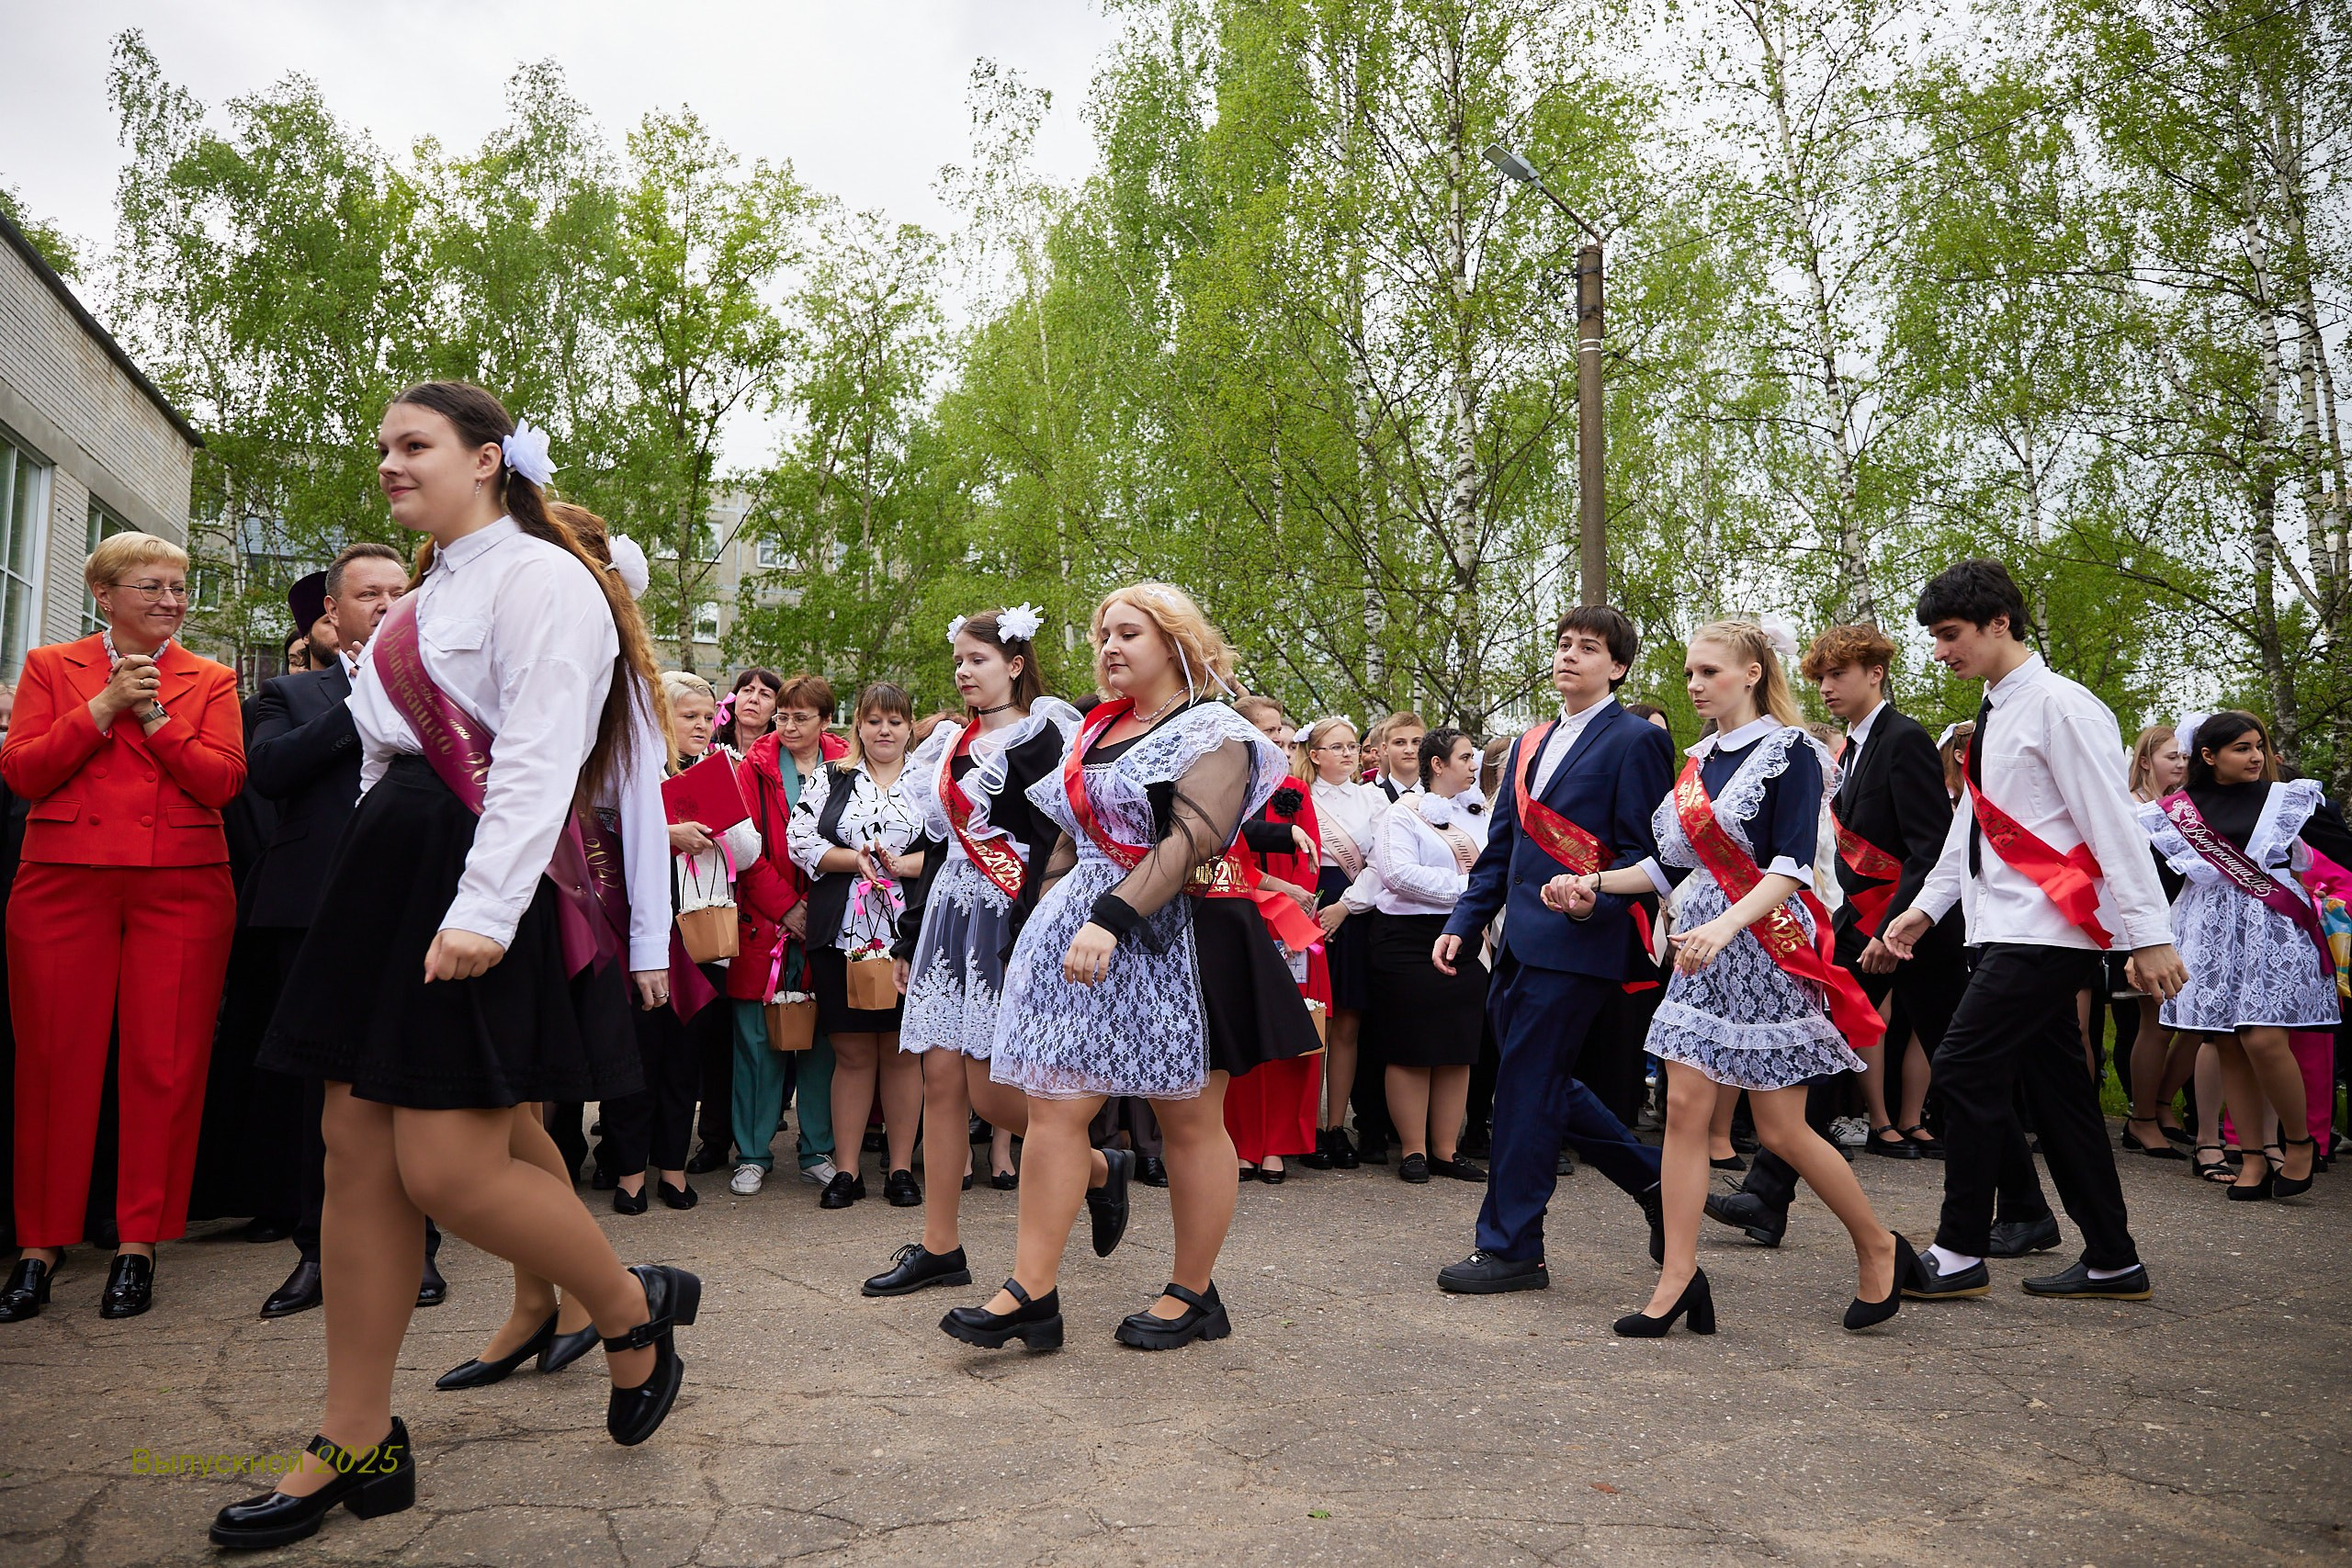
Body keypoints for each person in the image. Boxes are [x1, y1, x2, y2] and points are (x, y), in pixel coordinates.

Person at [207, 382, 697, 1550]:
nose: (389, 462)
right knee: (355, 1155)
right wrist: (364, 887)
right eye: (383, 445)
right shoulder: (426, 598)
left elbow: (535, 758)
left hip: (477, 872)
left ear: (486, 459)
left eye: (413, 444)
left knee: (449, 1167)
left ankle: (630, 1305)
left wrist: (482, 909)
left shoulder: (545, 580)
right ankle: (355, 1436)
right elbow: (382, 753)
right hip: (389, 873)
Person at [942, 581, 1312, 1353]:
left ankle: (1193, 1292)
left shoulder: (1214, 728)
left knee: (1188, 1118)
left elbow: (1192, 838)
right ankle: (1031, 1293)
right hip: (1085, 935)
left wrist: (1108, 917)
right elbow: (1072, 836)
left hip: (1188, 935)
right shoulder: (1096, 726)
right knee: (1054, 1105)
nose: (1109, 646)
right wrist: (1045, 922)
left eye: (1128, 633)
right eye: (1103, 634)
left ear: (1176, 642)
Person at [1555, 620, 1907, 1336]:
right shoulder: (1699, 761)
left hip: (1764, 943)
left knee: (1780, 1128)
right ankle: (1678, 1276)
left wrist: (1726, 925)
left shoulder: (1792, 751)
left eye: (1709, 672)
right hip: (1699, 945)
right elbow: (1666, 867)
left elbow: (1791, 865)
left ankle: (1879, 1246)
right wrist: (1593, 881)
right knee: (1685, 1110)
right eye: (1690, 672)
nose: (1694, 685)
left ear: (1752, 673)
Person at [1883, 558, 2183, 1306]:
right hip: (2003, 925)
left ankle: (1958, 1249)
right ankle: (2113, 1259)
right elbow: (1972, 824)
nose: (1940, 651)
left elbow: (2113, 825)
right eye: (1933, 637)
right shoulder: (1993, 709)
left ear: (2000, 622)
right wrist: (1927, 906)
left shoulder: (2062, 706)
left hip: (2049, 929)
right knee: (2060, 1095)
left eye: (1950, 634)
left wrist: (2149, 934)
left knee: (1962, 1066)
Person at [0, 533, 245, 1325]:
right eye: (153, 586)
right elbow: (23, 770)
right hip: (62, 881)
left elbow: (223, 783)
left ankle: (139, 1244)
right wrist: (102, 708)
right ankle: (39, 1246)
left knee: (164, 1064)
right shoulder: (50, 667)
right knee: (52, 1062)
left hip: (181, 886)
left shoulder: (210, 678)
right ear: (104, 594)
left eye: (179, 587)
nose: (171, 600)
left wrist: (158, 719)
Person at [1430, 606, 1674, 1298]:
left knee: (1523, 1090)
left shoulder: (1637, 740)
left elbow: (1648, 855)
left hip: (1578, 942)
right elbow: (1502, 846)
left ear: (1617, 667)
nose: (1569, 655)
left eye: (1588, 647)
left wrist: (1596, 901)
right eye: (1564, 644)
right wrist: (1465, 919)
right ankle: (1653, 1183)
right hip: (1516, 943)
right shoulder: (1531, 742)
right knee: (1541, 1083)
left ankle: (1512, 1247)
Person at [237, 541, 444, 1322]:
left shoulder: (442, 689)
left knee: (409, 1077)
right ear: (333, 609)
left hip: (414, 905)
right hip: (312, 906)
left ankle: (416, 1247)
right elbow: (270, 771)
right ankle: (317, 1250)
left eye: (399, 592)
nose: (388, 605)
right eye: (369, 594)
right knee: (317, 1091)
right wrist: (363, 703)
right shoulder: (290, 692)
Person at [864, 607, 1086, 1296]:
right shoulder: (948, 743)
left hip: (1008, 918)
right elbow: (936, 848)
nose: (964, 671)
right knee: (939, 1080)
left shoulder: (1046, 737)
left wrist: (1031, 931)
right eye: (959, 659)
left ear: (1015, 665)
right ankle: (940, 1245)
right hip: (948, 917)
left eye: (978, 659)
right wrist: (909, 935)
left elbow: (1054, 844)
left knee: (991, 1093)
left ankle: (1096, 1167)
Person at [2137, 710, 2339, 1201]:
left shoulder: (2290, 799)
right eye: (2242, 748)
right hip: (2207, 931)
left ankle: (2298, 1144)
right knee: (2227, 1044)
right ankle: (2252, 1157)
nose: (2255, 757)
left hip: (2276, 929)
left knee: (2264, 1040)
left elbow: (2346, 850)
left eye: (2258, 746)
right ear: (2209, 756)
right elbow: (2159, 886)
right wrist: (2142, 943)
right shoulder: (2174, 812)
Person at [603, 672, 761, 1214]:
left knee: (683, 1058)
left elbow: (748, 855)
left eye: (708, 715)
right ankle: (629, 1172)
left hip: (702, 936)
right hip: (640, 934)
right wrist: (664, 833)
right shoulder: (632, 767)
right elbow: (601, 837)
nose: (701, 725)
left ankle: (672, 1168)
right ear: (659, 717)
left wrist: (719, 816)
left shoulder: (722, 767)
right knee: (637, 1056)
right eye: (688, 715)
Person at [788, 682, 929, 1210]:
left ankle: (900, 1168)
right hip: (840, 932)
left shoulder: (929, 780)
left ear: (909, 726)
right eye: (874, 721)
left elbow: (952, 846)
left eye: (894, 721)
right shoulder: (831, 776)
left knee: (900, 1053)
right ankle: (846, 1170)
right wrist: (855, 860)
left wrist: (904, 865)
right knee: (850, 1053)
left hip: (909, 932)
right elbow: (799, 839)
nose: (884, 730)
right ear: (859, 727)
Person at [723, 674, 848, 1193]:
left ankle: (817, 1148)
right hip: (765, 921)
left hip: (829, 921)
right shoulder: (749, 769)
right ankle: (752, 1154)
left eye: (800, 717)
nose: (788, 726)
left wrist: (817, 910)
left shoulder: (849, 767)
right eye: (783, 716)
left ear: (826, 721)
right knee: (757, 1042)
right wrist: (787, 908)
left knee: (823, 1041)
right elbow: (741, 851)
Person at [1367, 727, 1491, 1183]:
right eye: (1465, 757)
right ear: (1437, 765)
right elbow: (1399, 875)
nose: (1473, 765)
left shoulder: (1479, 814)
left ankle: (1445, 1149)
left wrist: (1477, 896)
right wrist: (1470, 889)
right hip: (1408, 939)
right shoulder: (1402, 813)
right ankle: (1413, 1150)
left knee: (1457, 1049)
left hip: (1464, 939)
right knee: (1412, 1048)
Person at [1228, 695, 1323, 1182]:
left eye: (1282, 731)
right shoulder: (1223, 786)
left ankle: (1278, 1144)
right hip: (1236, 918)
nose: (1280, 739)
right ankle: (1242, 1141)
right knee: (1242, 1033)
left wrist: (1292, 906)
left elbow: (1310, 860)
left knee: (1290, 1033)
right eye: (1269, 731)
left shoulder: (1294, 790)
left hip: (1288, 926)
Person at [1293, 718, 1382, 1170]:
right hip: (1304, 908)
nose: (1348, 754)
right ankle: (1304, 1126)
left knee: (1346, 1023)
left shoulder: (1372, 799)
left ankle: (1335, 1126)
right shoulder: (1298, 797)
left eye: (1352, 746)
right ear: (1315, 755)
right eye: (1337, 747)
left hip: (1353, 911)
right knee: (1312, 1023)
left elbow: (1381, 862)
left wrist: (1345, 908)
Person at [2119, 724, 2195, 1158]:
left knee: (2195, 1027)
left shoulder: (2183, 808)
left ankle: (2161, 1106)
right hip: (2148, 927)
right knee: (2158, 1022)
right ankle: (2143, 1118)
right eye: (2172, 757)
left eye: (2184, 757)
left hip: (2188, 921)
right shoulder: (2130, 807)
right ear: (2146, 761)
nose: (2181, 764)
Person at [713, 667, 783, 758]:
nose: (753, 699)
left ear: (776, 709)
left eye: (765, 695)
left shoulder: (784, 755)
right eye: (748, 690)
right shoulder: (709, 746)